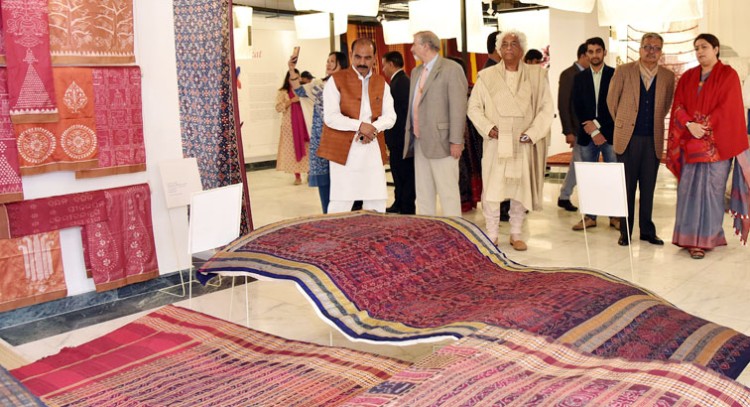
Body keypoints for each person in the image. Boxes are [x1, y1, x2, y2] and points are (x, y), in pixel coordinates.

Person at [666, 33, 750, 259]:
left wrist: (701, 126)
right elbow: (678, 106)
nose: (700, 51)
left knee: (711, 194)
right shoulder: (688, 76)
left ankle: (706, 240)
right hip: (690, 145)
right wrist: (689, 124)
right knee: (688, 193)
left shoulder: (728, 75)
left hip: (717, 148)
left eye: (704, 47)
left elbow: (728, 109)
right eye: (696, 48)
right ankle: (686, 237)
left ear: (716, 49)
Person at [468, 29, 553, 251]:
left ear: (522, 49)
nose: (508, 47)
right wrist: (488, 128)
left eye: (513, 43)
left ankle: (516, 233)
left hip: (523, 142)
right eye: (504, 44)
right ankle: (492, 234)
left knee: (519, 191)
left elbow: (546, 108)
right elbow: (474, 108)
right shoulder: (486, 77)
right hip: (496, 141)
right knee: (492, 191)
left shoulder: (537, 76)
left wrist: (533, 133)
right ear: (498, 48)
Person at [608, 33, 675, 246]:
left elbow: (665, 106)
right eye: (647, 46)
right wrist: (624, 122)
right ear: (640, 48)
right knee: (626, 187)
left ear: (661, 52)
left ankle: (647, 230)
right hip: (627, 138)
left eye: (656, 48)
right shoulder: (624, 71)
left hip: (652, 139)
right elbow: (612, 102)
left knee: (648, 188)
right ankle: (625, 232)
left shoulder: (667, 76)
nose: (651, 51)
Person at [318, 38, 396, 213]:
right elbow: (330, 117)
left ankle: (374, 238)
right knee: (341, 200)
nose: (362, 62)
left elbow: (391, 116)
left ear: (375, 57)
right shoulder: (336, 80)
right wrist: (360, 125)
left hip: (372, 147)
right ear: (351, 55)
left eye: (367, 58)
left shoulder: (381, 82)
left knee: (375, 198)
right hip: (343, 150)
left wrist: (373, 128)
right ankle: (337, 239)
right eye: (358, 57)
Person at [405, 31, 468, 217]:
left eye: (414, 44)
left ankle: (455, 232)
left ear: (426, 45)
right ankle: (427, 231)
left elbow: (458, 106)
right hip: (419, 141)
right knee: (423, 192)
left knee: (448, 192)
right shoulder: (416, 71)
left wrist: (456, 141)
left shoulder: (451, 69)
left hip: (443, 142)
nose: (411, 48)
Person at [289, 52, 348, 213]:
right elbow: (299, 91)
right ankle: (327, 214)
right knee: (324, 181)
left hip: (341, 139)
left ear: (341, 64)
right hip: (321, 138)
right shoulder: (318, 84)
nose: (328, 64)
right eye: (327, 61)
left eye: (332, 61)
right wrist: (292, 68)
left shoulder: (349, 85)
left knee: (342, 181)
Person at [571, 37, 619, 231]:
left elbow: (616, 106)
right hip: (586, 135)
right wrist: (591, 131)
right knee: (588, 177)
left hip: (609, 134)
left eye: (598, 51)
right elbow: (577, 107)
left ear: (604, 52)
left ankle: (615, 216)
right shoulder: (579, 78)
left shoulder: (615, 75)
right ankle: (589, 217)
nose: (594, 55)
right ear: (586, 54)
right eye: (590, 52)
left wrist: (598, 127)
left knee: (613, 177)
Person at [381, 51, 415, 215]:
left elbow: (399, 115)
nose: (383, 69)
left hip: (401, 139)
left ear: (391, 64)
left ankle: (406, 205)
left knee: (404, 174)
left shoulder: (399, 83)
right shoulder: (402, 81)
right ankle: (399, 202)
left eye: (384, 64)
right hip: (401, 139)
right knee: (399, 173)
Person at [556, 43, 588, 212]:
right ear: (582, 56)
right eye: (590, 54)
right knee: (580, 164)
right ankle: (566, 196)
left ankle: (564, 196)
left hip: (588, 129)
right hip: (576, 129)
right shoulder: (569, 74)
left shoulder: (590, 74)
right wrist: (568, 131)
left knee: (577, 164)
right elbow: (563, 104)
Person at [275, 69, 309, 185]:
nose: (295, 80)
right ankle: (297, 176)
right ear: (287, 79)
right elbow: (278, 108)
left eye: (297, 77)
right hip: (290, 127)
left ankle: (310, 173)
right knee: (294, 150)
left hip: (304, 124)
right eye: (292, 78)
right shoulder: (283, 92)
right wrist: (291, 101)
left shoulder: (304, 90)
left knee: (308, 149)